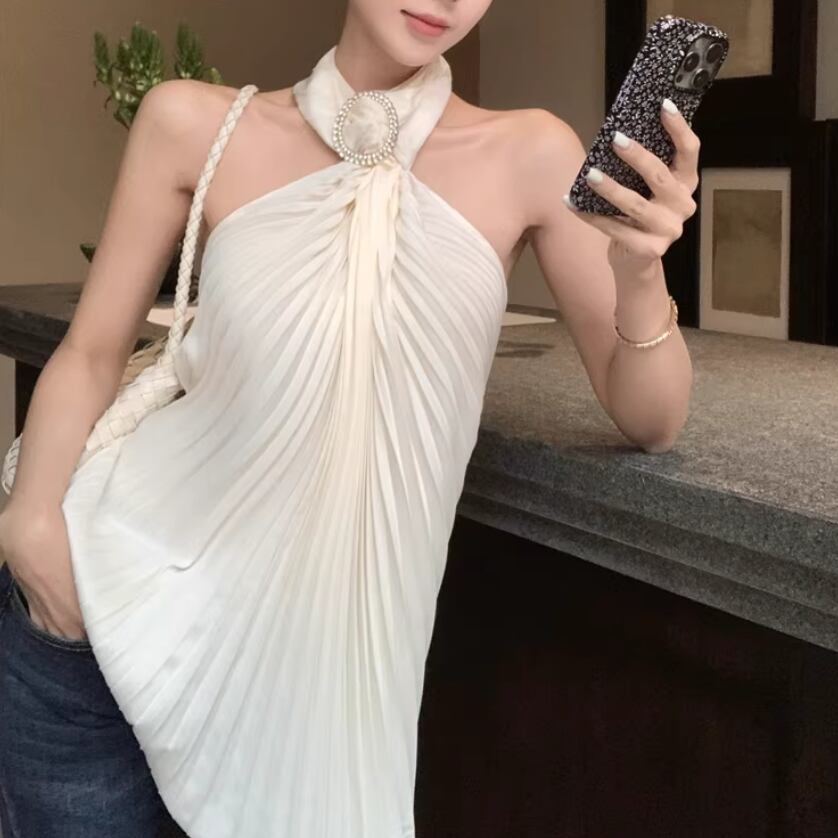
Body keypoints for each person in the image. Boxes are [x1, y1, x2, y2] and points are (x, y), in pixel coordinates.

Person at [0, 0, 697, 836]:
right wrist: (32, 526)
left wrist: (641, 267)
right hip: (102, 624)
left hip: (313, 699)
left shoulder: (531, 153)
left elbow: (650, 416)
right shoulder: (190, 123)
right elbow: (90, 354)